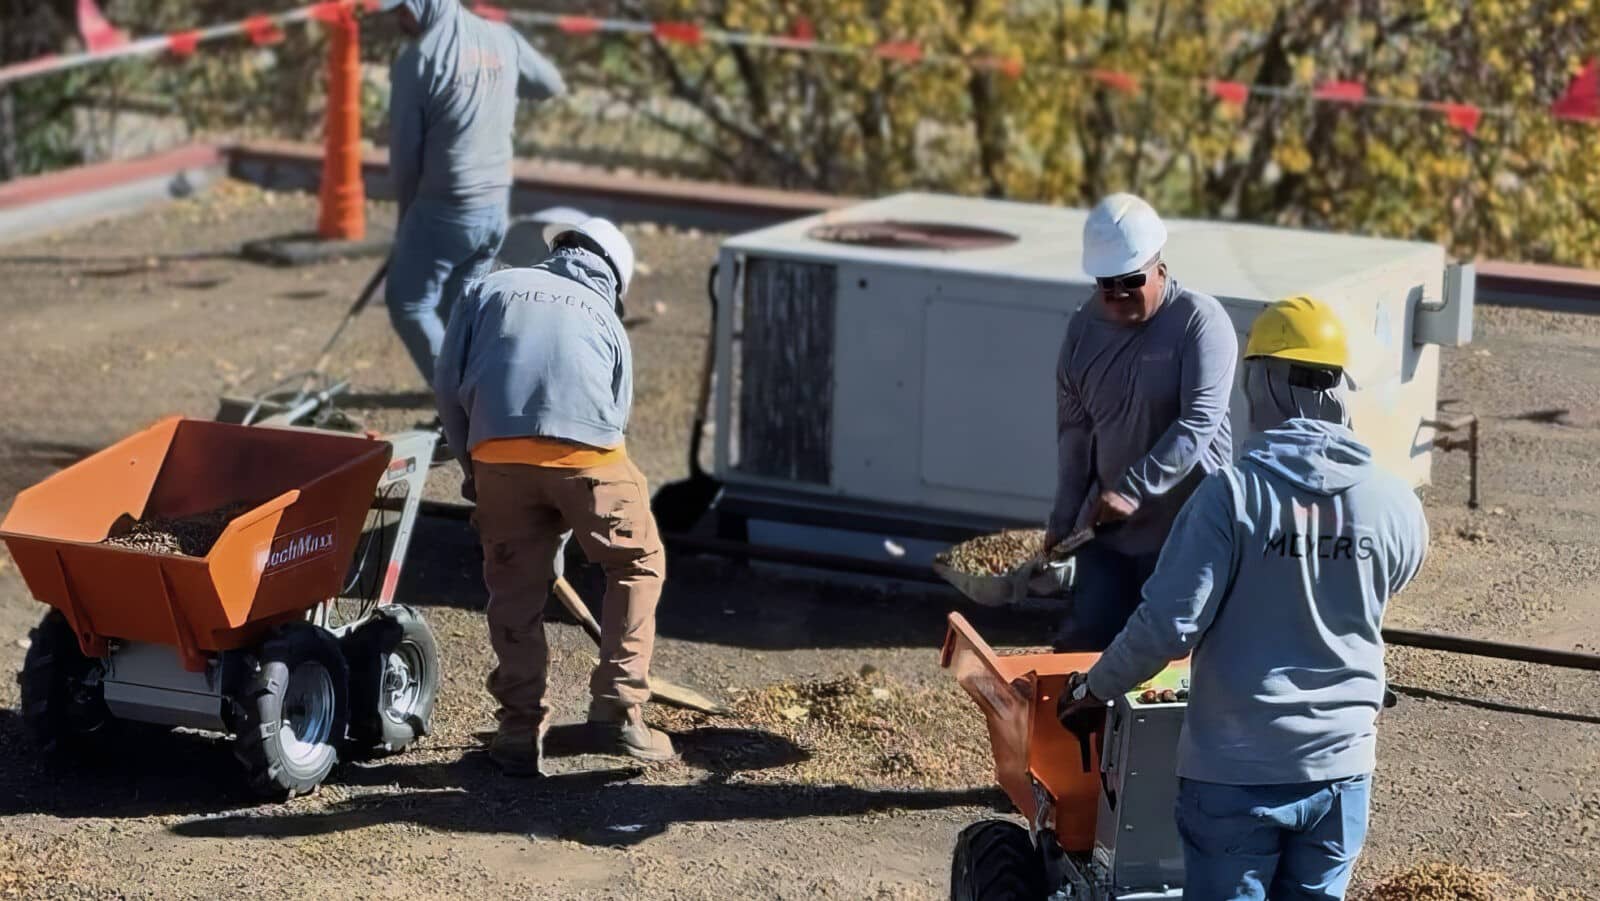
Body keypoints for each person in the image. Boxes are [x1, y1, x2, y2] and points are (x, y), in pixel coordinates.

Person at [1057, 296, 1429, 901]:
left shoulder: (1232, 497)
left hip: (1238, 770)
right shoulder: (1396, 503)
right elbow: (1389, 582)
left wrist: (1092, 689)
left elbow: (1169, 626)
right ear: (1340, 388)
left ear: (1261, 383)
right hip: (1342, 768)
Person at [433, 217, 674, 777]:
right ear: (615, 277)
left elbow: (448, 383)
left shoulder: (491, 286)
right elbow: (616, 417)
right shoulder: (610, 322)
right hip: (590, 460)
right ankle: (617, 708)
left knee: (515, 588)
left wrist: (475, 468)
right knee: (638, 561)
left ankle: (518, 728)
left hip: (496, 455)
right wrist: (573, 505)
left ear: (559, 250)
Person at [1047, 193, 1238, 650]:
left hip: (1186, 536)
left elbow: (1199, 422)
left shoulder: (1199, 322)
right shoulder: (1082, 330)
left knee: (1170, 661)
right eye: (1105, 283)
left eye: (1130, 281)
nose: (1116, 295)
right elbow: (1075, 432)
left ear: (1159, 266)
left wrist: (1132, 489)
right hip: (1109, 536)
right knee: (1086, 648)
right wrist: (1062, 519)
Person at [380, 0, 565, 388]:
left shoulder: (418, 63)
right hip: (493, 208)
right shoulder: (503, 39)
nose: (398, 19)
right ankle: (483, 397)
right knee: (459, 311)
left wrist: (405, 225)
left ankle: (462, 404)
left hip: (445, 207)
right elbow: (550, 84)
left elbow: (405, 159)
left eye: (402, 9)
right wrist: (500, 87)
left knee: (409, 304)